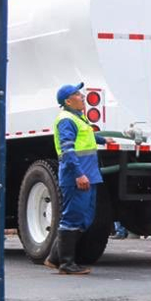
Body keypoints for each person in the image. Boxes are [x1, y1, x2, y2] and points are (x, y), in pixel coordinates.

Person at [44, 83, 102, 276]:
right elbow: (68, 150)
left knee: (85, 218)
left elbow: (85, 138)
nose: (82, 96)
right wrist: (79, 174)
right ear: (68, 101)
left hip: (89, 175)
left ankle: (54, 258)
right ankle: (66, 264)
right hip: (77, 176)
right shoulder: (66, 119)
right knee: (73, 217)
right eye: (78, 94)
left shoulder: (78, 117)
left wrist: (103, 140)